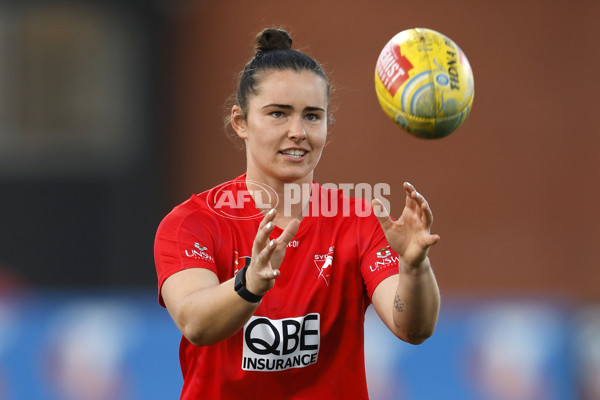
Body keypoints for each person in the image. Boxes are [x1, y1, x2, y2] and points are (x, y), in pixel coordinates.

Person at [154, 28, 441, 399]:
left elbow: (412, 328)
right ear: (240, 122)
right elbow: (195, 323)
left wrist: (415, 267)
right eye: (278, 114)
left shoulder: (359, 221)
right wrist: (250, 283)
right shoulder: (191, 223)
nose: (297, 131)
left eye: (312, 116)